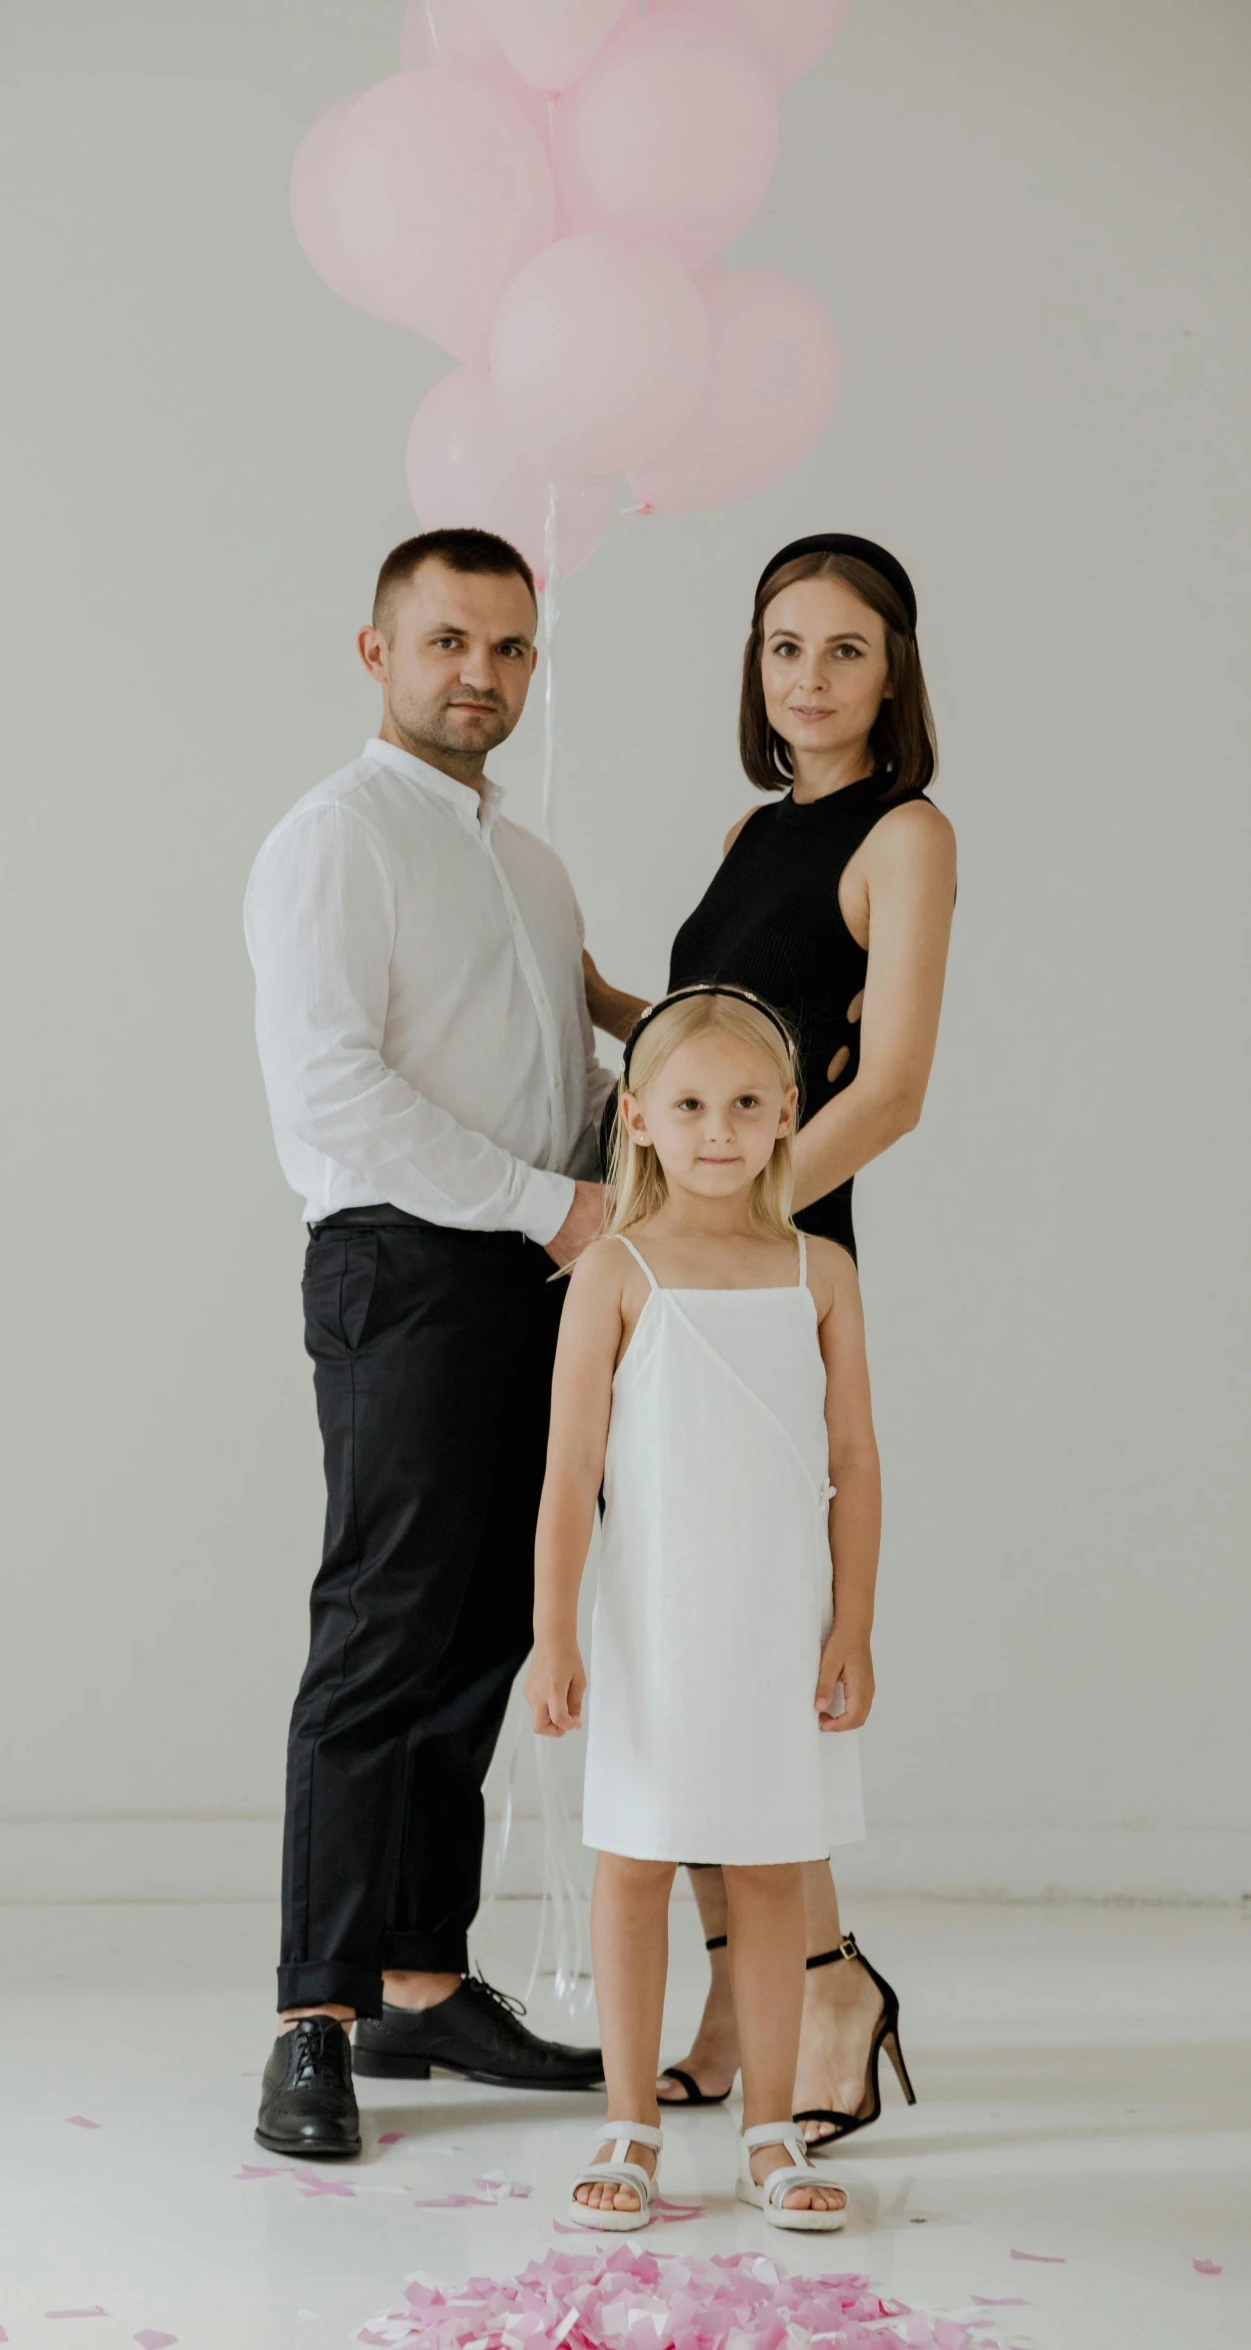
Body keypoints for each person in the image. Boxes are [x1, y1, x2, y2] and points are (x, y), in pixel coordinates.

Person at [243, 527, 612, 2162]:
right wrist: (550, 1207)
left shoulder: (528, 866)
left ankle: (418, 1976)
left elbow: (549, 1082)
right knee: (379, 1642)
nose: (483, 674)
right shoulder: (332, 841)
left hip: (540, 1278)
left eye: (511, 649)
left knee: (478, 1639)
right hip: (406, 1272)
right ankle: (310, 2022)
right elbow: (332, 1091)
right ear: (374, 651)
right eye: (450, 640)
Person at [583, 534, 954, 2143]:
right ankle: (743, 2007)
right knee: (676, 1626)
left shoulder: (908, 835)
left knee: (751, 1638)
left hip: (773, 1255)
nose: (805, 677)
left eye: (842, 650)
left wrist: (734, 1205)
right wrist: (605, 1008)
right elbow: (718, 1037)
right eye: (781, 646)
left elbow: (890, 1084)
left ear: (893, 673)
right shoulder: (751, 827)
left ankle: (828, 1981)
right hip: (676, 1251)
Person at [526, 986, 901, 2231]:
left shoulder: (818, 1271)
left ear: (789, 1112)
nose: (720, 1129)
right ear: (637, 1120)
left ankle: (771, 2126)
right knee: (633, 1860)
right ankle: (629, 2119)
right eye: (689, 1105)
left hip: (772, 1625)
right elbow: (570, 1470)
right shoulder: (613, 1273)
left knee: (770, 1863)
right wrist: (554, 1630)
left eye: (747, 1103)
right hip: (651, 1625)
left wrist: (850, 1625)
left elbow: (853, 1455)